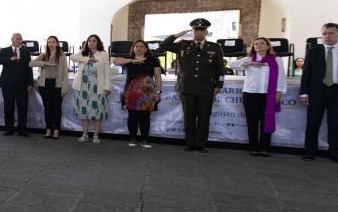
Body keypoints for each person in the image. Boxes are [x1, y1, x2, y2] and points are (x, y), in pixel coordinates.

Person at [160, 19, 225, 152]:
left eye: (202, 30)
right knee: (189, 117)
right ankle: (190, 143)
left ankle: (201, 144)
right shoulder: (183, 45)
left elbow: (220, 69)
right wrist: (177, 35)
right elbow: (163, 46)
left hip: (206, 88)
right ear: (192, 32)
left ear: (206, 32)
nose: (199, 32)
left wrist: (219, 84)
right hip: (187, 87)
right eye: (196, 30)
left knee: (204, 117)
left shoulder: (215, 47)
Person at [300, 23, 338, 163]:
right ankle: (310, 152)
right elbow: (306, 74)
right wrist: (304, 93)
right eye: (324, 34)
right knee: (313, 123)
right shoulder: (313, 51)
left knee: (335, 124)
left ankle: (334, 153)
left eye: (331, 33)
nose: (327, 36)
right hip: (317, 92)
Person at [232, 37, 286, 156]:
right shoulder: (249, 58)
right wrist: (249, 63)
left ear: (268, 46)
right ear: (253, 47)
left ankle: (264, 148)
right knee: (252, 121)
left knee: (266, 120)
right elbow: (232, 65)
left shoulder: (276, 59)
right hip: (250, 94)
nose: (259, 45)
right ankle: (254, 147)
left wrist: (279, 92)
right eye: (256, 44)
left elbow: (281, 76)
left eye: (262, 43)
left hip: (268, 94)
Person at [112, 40, 162, 148]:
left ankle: (145, 140)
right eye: (136, 46)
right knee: (132, 116)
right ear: (133, 49)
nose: (139, 48)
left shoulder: (153, 59)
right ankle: (133, 139)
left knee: (145, 117)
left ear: (146, 49)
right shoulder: (129, 59)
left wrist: (158, 91)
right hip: (131, 92)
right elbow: (115, 61)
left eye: (141, 46)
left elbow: (158, 77)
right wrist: (132, 61)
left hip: (147, 93)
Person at [71, 35, 112, 142]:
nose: (91, 43)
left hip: (97, 87)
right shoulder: (83, 52)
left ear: (98, 43)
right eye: (89, 41)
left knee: (97, 112)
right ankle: (85, 135)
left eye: (94, 41)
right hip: (82, 87)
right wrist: (87, 59)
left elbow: (107, 72)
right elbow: (72, 57)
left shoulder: (103, 54)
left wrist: (108, 87)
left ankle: (95, 135)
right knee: (84, 112)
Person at [0, 33, 35, 136]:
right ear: (12, 39)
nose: (20, 41)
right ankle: (9, 129)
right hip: (8, 84)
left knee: (23, 108)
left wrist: (30, 83)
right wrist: (9, 59)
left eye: (21, 39)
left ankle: (22, 129)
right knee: (8, 107)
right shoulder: (4, 50)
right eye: (18, 39)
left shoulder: (26, 52)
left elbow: (29, 68)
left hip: (22, 85)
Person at [30, 35, 68, 139]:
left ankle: (56, 130)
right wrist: (44, 63)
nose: (51, 44)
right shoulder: (44, 55)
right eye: (49, 42)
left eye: (53, 42)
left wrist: (64, 88)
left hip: (57, 84)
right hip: (44, 85)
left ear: (57, 44)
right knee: (47, 108)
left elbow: (65, 73)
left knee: (56, 108)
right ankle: (48, 130)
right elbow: (31, 63)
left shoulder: (62, 56)